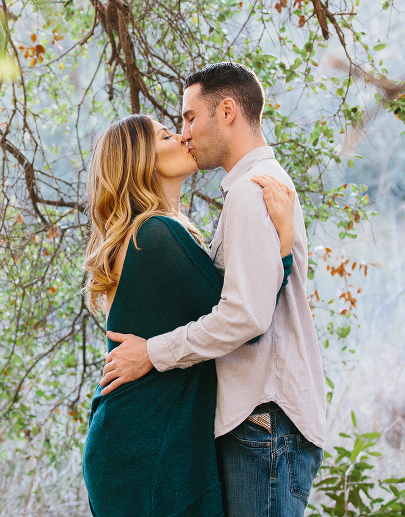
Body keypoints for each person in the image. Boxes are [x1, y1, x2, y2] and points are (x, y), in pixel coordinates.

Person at [100, 62, 327, 517]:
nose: (185, 133)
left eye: (187, 118)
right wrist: (282, 252)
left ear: (227, 112)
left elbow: (245, 315)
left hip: (257, 421)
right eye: (173, 129)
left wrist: (153, 352)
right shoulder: (160, 233)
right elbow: (241, 309)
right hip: (151, 441)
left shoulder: (249, 192)